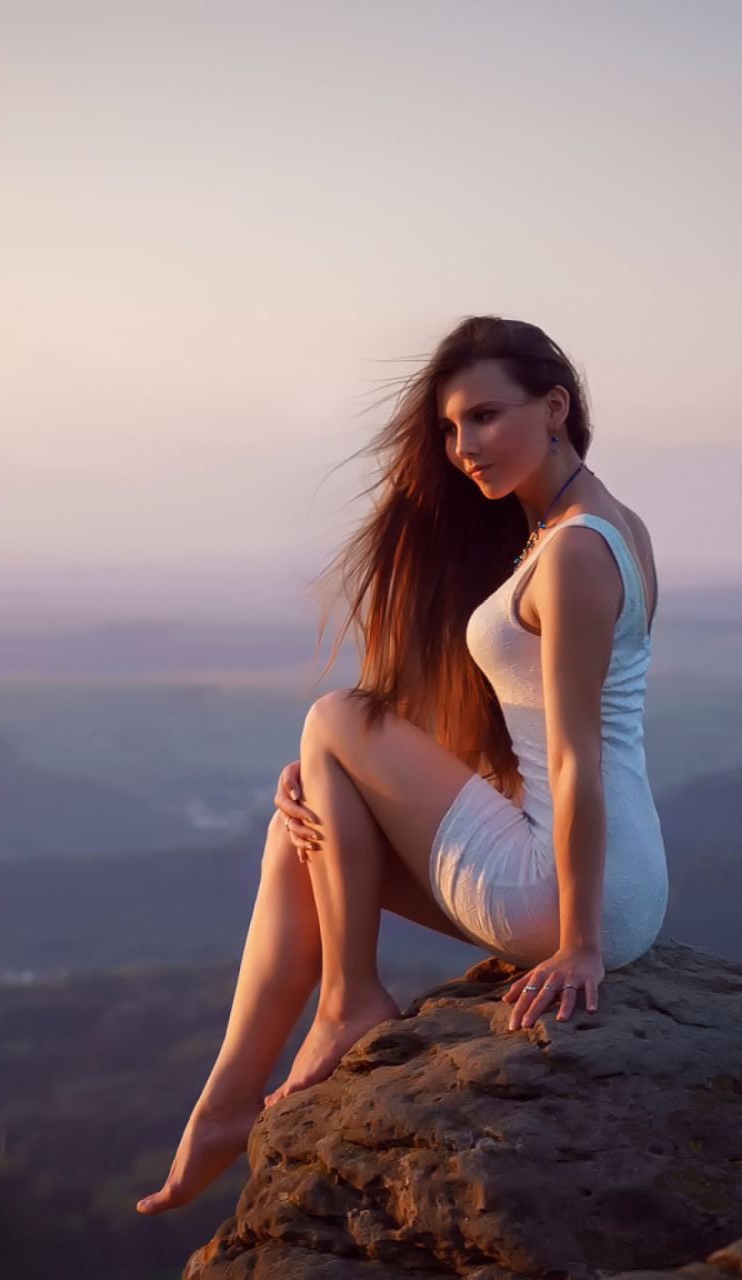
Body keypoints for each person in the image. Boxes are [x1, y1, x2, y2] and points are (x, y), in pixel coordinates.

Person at [137, 315, 667, 1215]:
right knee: (301, 821)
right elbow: (528, 730)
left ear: (555, 407)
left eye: (485, 417)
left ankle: (346, 1003)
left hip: (573, 889)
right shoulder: (598, 527)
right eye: (453, 429)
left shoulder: (576, 549)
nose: (465, 448)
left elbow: (575, 759)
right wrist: (332, 776)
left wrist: (580, 947)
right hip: (612, 880)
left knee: (334, 715)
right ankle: (227, 1103)